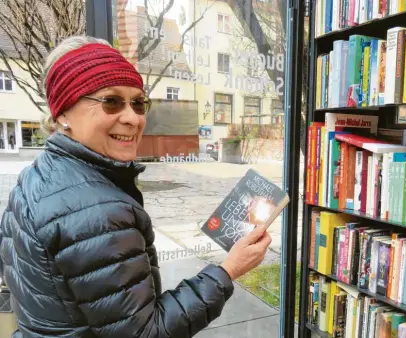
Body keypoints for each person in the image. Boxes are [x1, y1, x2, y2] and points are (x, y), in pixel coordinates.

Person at [0, 36, 272, 337]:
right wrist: (228, 270)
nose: (132, 118)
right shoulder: (98, 211)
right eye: (111, 101)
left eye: (139, 103)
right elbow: (146, 333)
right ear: (63, 113)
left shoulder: (36, 177)